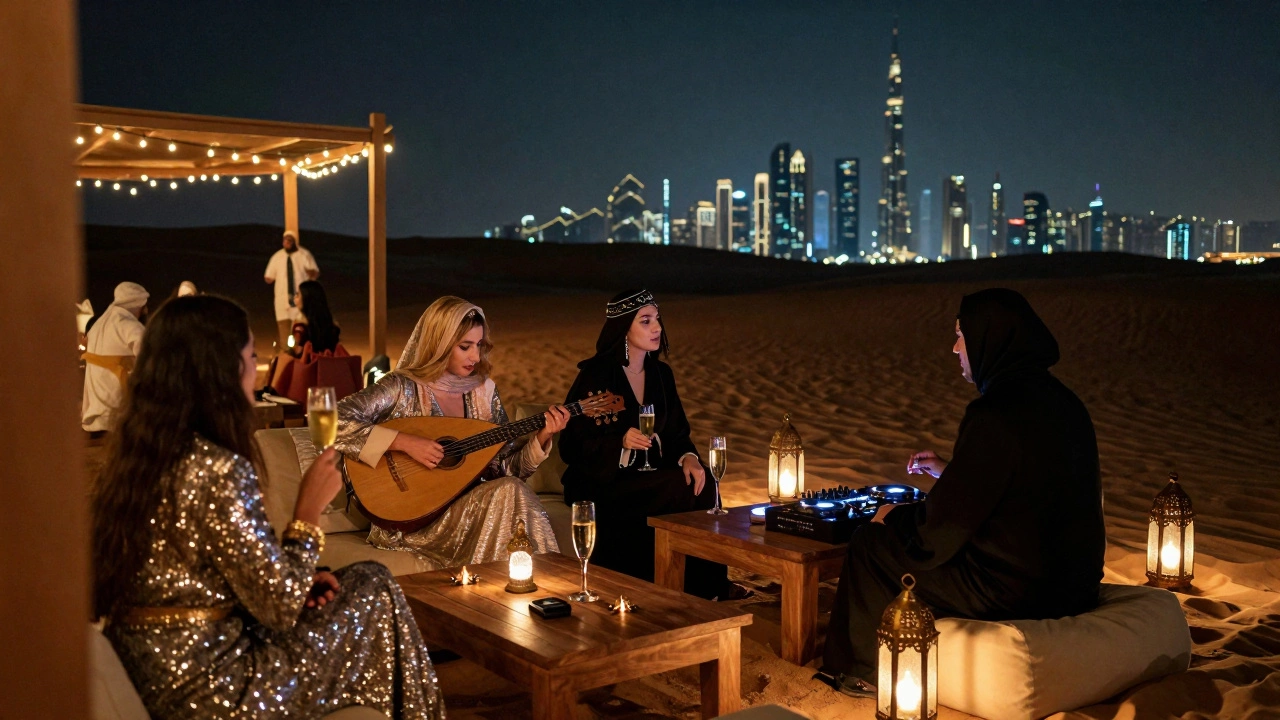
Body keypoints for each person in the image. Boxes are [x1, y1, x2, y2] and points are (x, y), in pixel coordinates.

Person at [93, 295, 443, 719]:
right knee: (376, 588)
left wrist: (302, 577)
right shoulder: (217, 468)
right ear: (223, 370)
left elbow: (216, 580)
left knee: (364, 582)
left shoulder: (138, 461)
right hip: (215, 685)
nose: (256, 369)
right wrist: (307, 513)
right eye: (252, 355)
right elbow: (278, 608)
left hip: (155, 670)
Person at [820, 288, 1105, 694]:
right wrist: (952, 473)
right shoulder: (1066, 403)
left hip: (1018, 589)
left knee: (871, 546)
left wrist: (892, 519)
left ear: (990, 338)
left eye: (961, 335)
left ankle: (859, 672)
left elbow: (937, 534)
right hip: (1076, 584)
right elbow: (1026, 486)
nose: (955, 348)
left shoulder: (995, 412)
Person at [336, 295, 568, 568]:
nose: (475, 356)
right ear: (440, 343)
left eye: (479, 345)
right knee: (509, 492)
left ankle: (528, 585)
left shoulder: (483, 393)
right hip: (413, 518)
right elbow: (334, 420)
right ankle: (548, 580)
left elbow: (505, 471)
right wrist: (404, 442)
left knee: (510, 489)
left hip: (466, 512)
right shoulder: (402, 387)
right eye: (465, 346)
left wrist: (542, 437)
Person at [558, 289, 738, 600]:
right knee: (673, 487)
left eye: (657, 319)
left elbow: (678, 433)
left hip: (651, 472)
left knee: (705, 481)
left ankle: (710, 585)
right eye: (645, 321)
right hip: (603, 480)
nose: (657, 328)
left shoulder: (661, 374)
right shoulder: (596, 376)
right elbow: (572, 446)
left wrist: (689, 457)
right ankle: (671, 585)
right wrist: (621, 444)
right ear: (624, 328)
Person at [82, 281, 149, 433]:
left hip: (95, 413)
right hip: (116, 416)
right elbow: (149, 361)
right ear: (137, 304)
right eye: (143, 306)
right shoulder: (128, 325)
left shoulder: (97, 325)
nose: (144, 311)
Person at [264, 231, 319, 352]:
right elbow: (268, 277)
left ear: (294, 241)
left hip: (299, 300)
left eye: (289, 240)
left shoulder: (304, 255)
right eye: (285, 240)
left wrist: (310, 272)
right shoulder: (277, 257)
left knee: (300, 331)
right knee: (284, 332)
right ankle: (286, 357)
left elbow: (315, 273)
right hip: (282, 300)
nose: (287, 243)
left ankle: (299, 355)